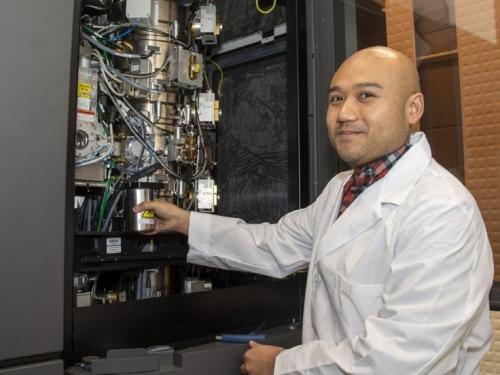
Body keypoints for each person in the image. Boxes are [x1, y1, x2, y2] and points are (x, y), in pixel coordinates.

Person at [133, 46, 494, 374]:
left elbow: (401, 356)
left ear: (413, 108)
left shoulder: (441, 210)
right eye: (336, 99)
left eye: (366, 96)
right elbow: (273, 243)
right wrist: (186, 223)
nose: (345, 113)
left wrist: (283, 365)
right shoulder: (342, 189)